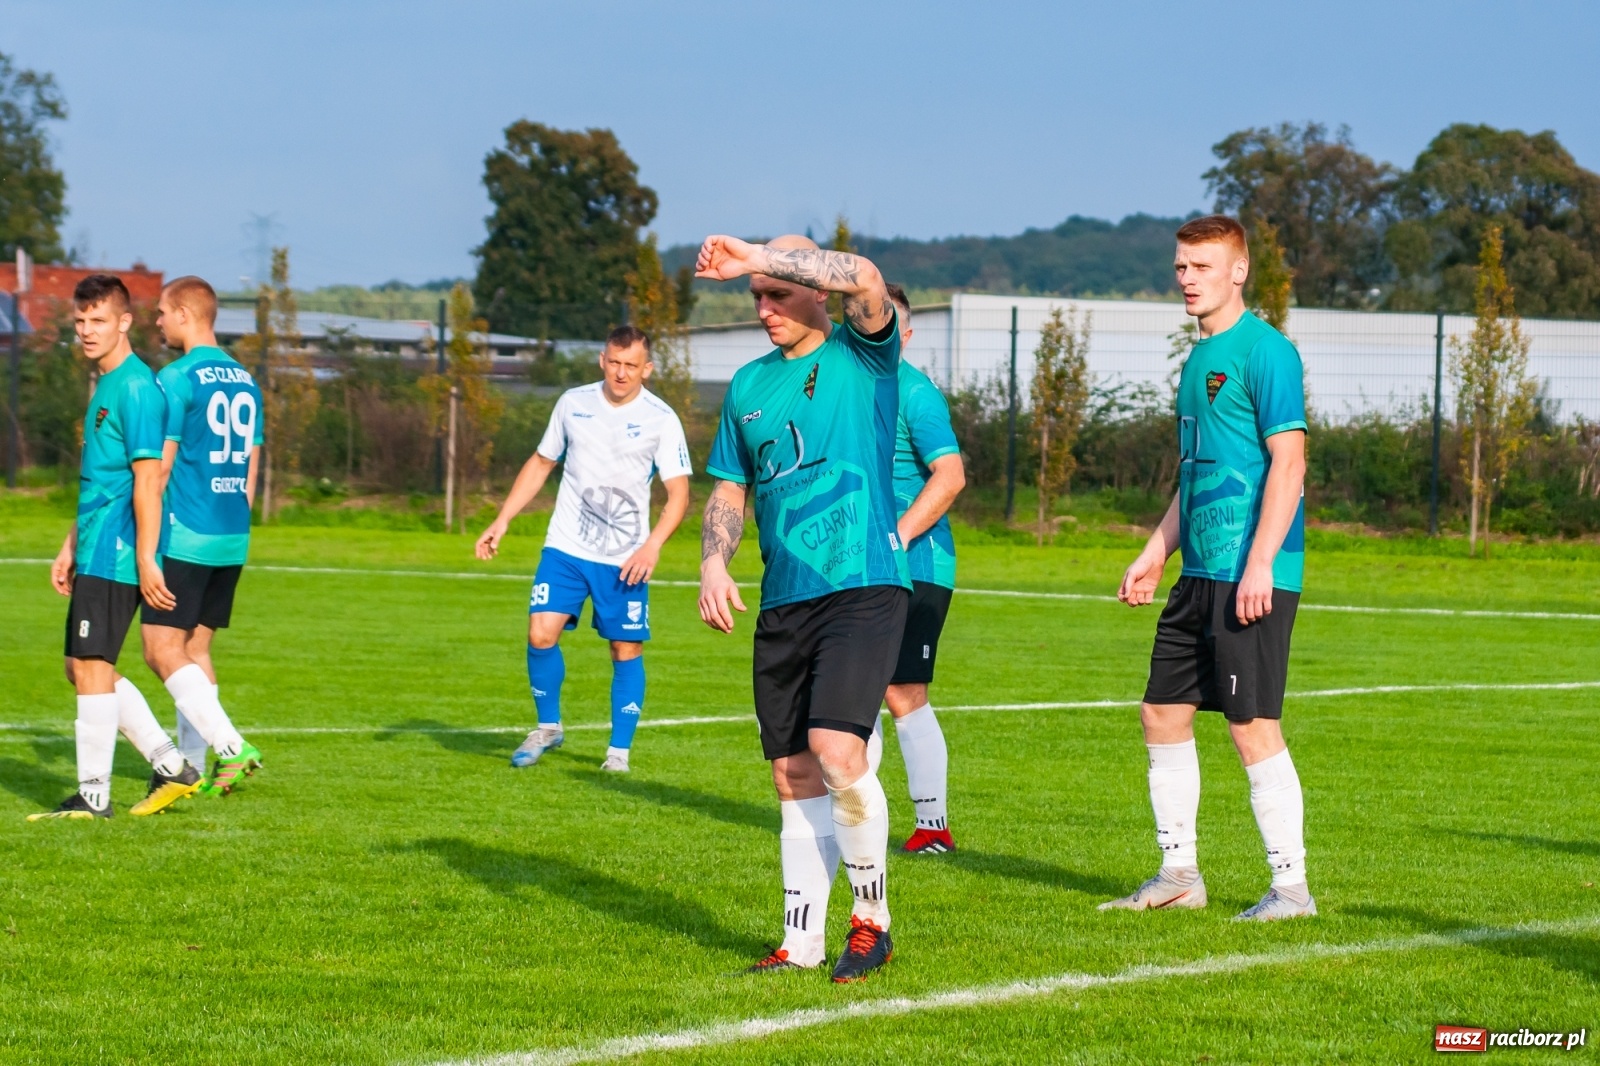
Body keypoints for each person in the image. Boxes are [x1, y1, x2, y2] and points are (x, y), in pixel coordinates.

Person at [697, 233, 907, 982]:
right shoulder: (749, 387)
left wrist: (757, 252)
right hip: (785, 600)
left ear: (814, 289)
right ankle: (800, 940)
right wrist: (713, 560)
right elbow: (730, 486)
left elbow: (869, 276)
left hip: (865, 584)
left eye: (777, 292)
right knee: (791, 773)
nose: (764, 307)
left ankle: (871, 921)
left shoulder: (862, 355)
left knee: (836, 747)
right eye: (756, 296)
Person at [1103, 214, 1314, 921]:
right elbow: (1196, 476)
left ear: (1238, 270)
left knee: (1251, 725)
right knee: (1162, 712)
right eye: (1181, 266)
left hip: (1250, 574)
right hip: (1199, 575)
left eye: (1201, 266)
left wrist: (1259, 564)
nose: (1187, 279)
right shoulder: (1196, 359)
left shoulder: (1268, 352)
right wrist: (1156, 551)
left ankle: (1291, 889)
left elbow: (1289, 460)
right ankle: (1179, 876)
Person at [476, 326, 691, 773]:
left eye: (631, 365)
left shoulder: (661, 418)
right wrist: (503, 518)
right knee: (540, 634)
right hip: (566, 547)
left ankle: (618, 754)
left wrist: (652, 547)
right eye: (615, 362)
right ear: (602, 359)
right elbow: (541, 463)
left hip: (626, 557)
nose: (621, 372)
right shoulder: (573, 403)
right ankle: (548, 728)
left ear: (646, 368)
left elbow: (679, 494)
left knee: (624, 649)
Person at [31, 274, 204, 820]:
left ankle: (94, 795)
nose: (86, 330)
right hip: (96, 545)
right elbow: (103, 482)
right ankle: (170, 765)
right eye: (80, 321)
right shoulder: (106, 383)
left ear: (125, 322)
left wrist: (148, 556)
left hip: (119, 550)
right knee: (81, 665)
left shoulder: (133, 387)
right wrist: (69, 546)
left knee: (90, 664)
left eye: (98, 320)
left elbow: (149, 480)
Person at [139, 276, 265, 796]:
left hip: (186, 534)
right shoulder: (246, 380)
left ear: (186, 314)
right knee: (197, 649)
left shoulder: (176, 377)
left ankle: (231, 747)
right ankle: (195, 767)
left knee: (159, 648)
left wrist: (146, 545)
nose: (158, 322)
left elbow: (160, 470)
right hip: (232, 532)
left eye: (163, 313)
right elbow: (253, 468)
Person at [865, 284, 965, 854]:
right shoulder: (853, 389)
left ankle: (934, 827)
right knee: (855, 688)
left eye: (885, 324)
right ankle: (860, 812)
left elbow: (949, 477)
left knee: (902, 691)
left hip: (918, 563)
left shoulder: (917, 392)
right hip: (861, 566)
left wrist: (896, 537)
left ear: (904, 333)